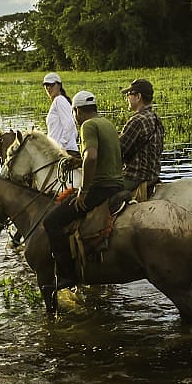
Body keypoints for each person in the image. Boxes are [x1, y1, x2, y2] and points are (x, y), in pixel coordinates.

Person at [42, 90, 124, 292]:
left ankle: (67, 275)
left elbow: (93, 157)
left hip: (100, 188)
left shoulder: (87, 125)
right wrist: (78, 161)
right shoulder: (107, 124)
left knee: (51, 221)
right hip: (117, 184)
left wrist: (84, 191)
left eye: (74, 113)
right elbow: (101, 156)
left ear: (77, 110)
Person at [119, 78, 165, 200]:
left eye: (129, 94)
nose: (127, 98)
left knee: (101, 192)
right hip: (153, 175)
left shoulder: (137, 121)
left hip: (135, 177)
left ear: (138, 96)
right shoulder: (156, 119)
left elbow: (118, 149)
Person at [42, 72, 79, 157]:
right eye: (46, 85)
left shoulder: (59, 100)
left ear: (59, 85)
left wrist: (60, 146)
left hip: (64, 151)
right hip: (60, 150)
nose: (48, 88)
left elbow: (70, 124)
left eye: (51, 85)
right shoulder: (59, 101)